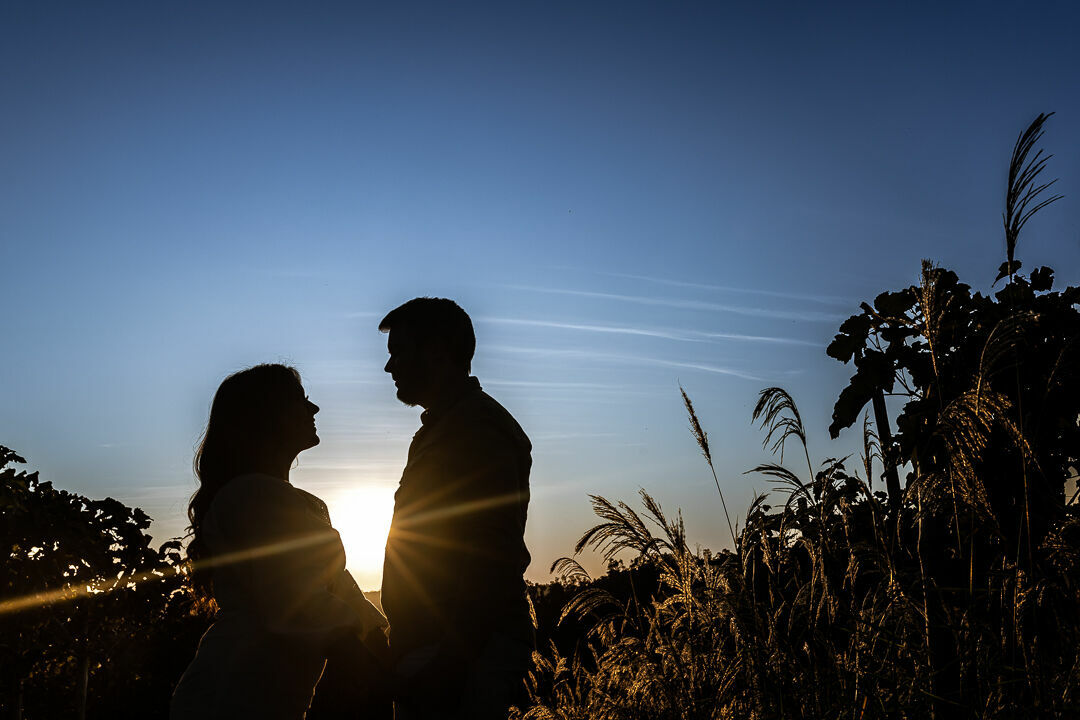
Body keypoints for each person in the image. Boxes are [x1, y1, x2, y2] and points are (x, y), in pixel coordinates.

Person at [171, 364, 390, 720]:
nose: (314, 409)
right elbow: (299, 597)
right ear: (267, 416)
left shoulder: (286, 501)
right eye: (301, 401)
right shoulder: (251, 497)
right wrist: (382, 673)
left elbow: (339, 588)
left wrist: (381, 646)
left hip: (264, 694)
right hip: (233, 694)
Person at [379, 298, 534, 719]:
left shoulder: (477, 429)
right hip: (438, 649)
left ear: (437, 353)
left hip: (462, 654)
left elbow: (490, 554)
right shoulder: (444, 429)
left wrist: (449, 663)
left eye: (398, 353)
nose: (389, 367)